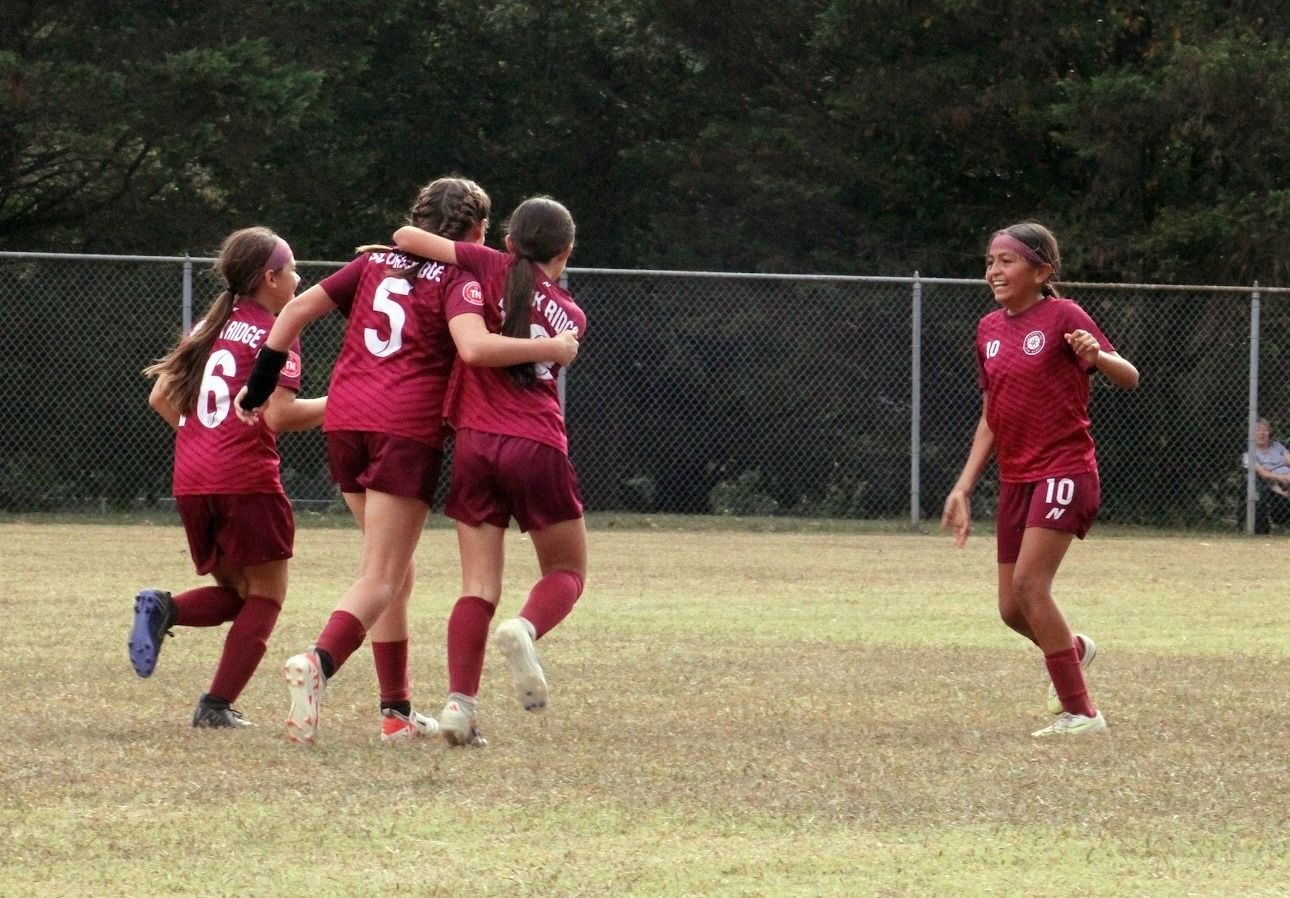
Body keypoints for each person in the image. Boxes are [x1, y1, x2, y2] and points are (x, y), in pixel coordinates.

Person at [236, 178, 580, 745]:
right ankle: (318, 664)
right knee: (382, 575)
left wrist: (259, 386)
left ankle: (396, 712)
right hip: (405, 428)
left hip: (346, 423)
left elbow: (295, 311)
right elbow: (476, 343)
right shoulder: (466, 277)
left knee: (395, 571)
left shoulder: (373, 266)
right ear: (476, 233)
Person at [390, 195, 587, 748]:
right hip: (537, 444)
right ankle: (525, 627)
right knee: (567, 571)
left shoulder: (485, 265)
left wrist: (465, 251)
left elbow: (406, 238)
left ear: (505, 242)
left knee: (477, 586)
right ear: (566, 253)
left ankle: (459, 706)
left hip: (475, 445)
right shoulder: (571, 317)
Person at [940, 221, 1139, 738]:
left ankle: (1083, 714)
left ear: (1041, 270)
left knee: (1032, 585)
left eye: (1006, 261)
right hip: (1016, 479)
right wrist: (963, 486)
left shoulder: (1064, 316)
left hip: (1065, 470)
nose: (994, 271)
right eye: (989, 261)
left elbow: (1130, 376)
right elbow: (991, 415)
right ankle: (1073, 651)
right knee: (1011, 609)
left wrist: (1098, 356)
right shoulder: (987, 330)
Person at [133, 226, 325, 728]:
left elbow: (160, 398)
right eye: (293, 268)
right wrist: (350, 401)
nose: (299, 277)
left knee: (239, 595)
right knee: (266, 597)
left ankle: (164, 609)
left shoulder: (209, 323)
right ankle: (215, 707)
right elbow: (280, 415)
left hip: (192, 476)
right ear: (271, 278)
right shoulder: (278, 328)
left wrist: (203, 439)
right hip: (244, 477)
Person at [1240, 418, 1290, 533]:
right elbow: (1264, 474)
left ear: (1269, 433)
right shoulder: (1249, 453)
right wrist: (1284, 477)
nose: (1261, 433)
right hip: (1272, 481)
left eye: (1265, 430)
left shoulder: (1277, 446)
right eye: (1257, 430)